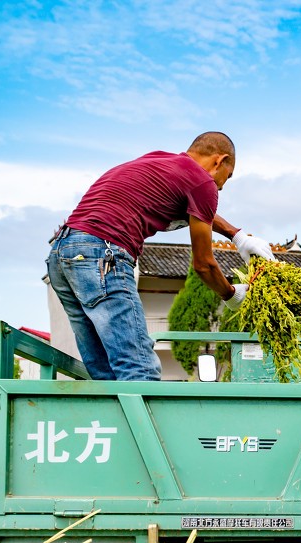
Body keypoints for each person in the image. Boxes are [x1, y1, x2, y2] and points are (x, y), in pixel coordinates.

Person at [47, 131, 275, 381]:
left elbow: (196, 210)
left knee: (106, 372)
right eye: (227, 177)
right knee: (139, 369)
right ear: (219, 161)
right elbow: (203, 265)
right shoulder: (203, 182)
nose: (221, 186)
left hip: (62, 255)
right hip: (102, 254)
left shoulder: (159, 161)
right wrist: (231, 295)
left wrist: (237, 235)